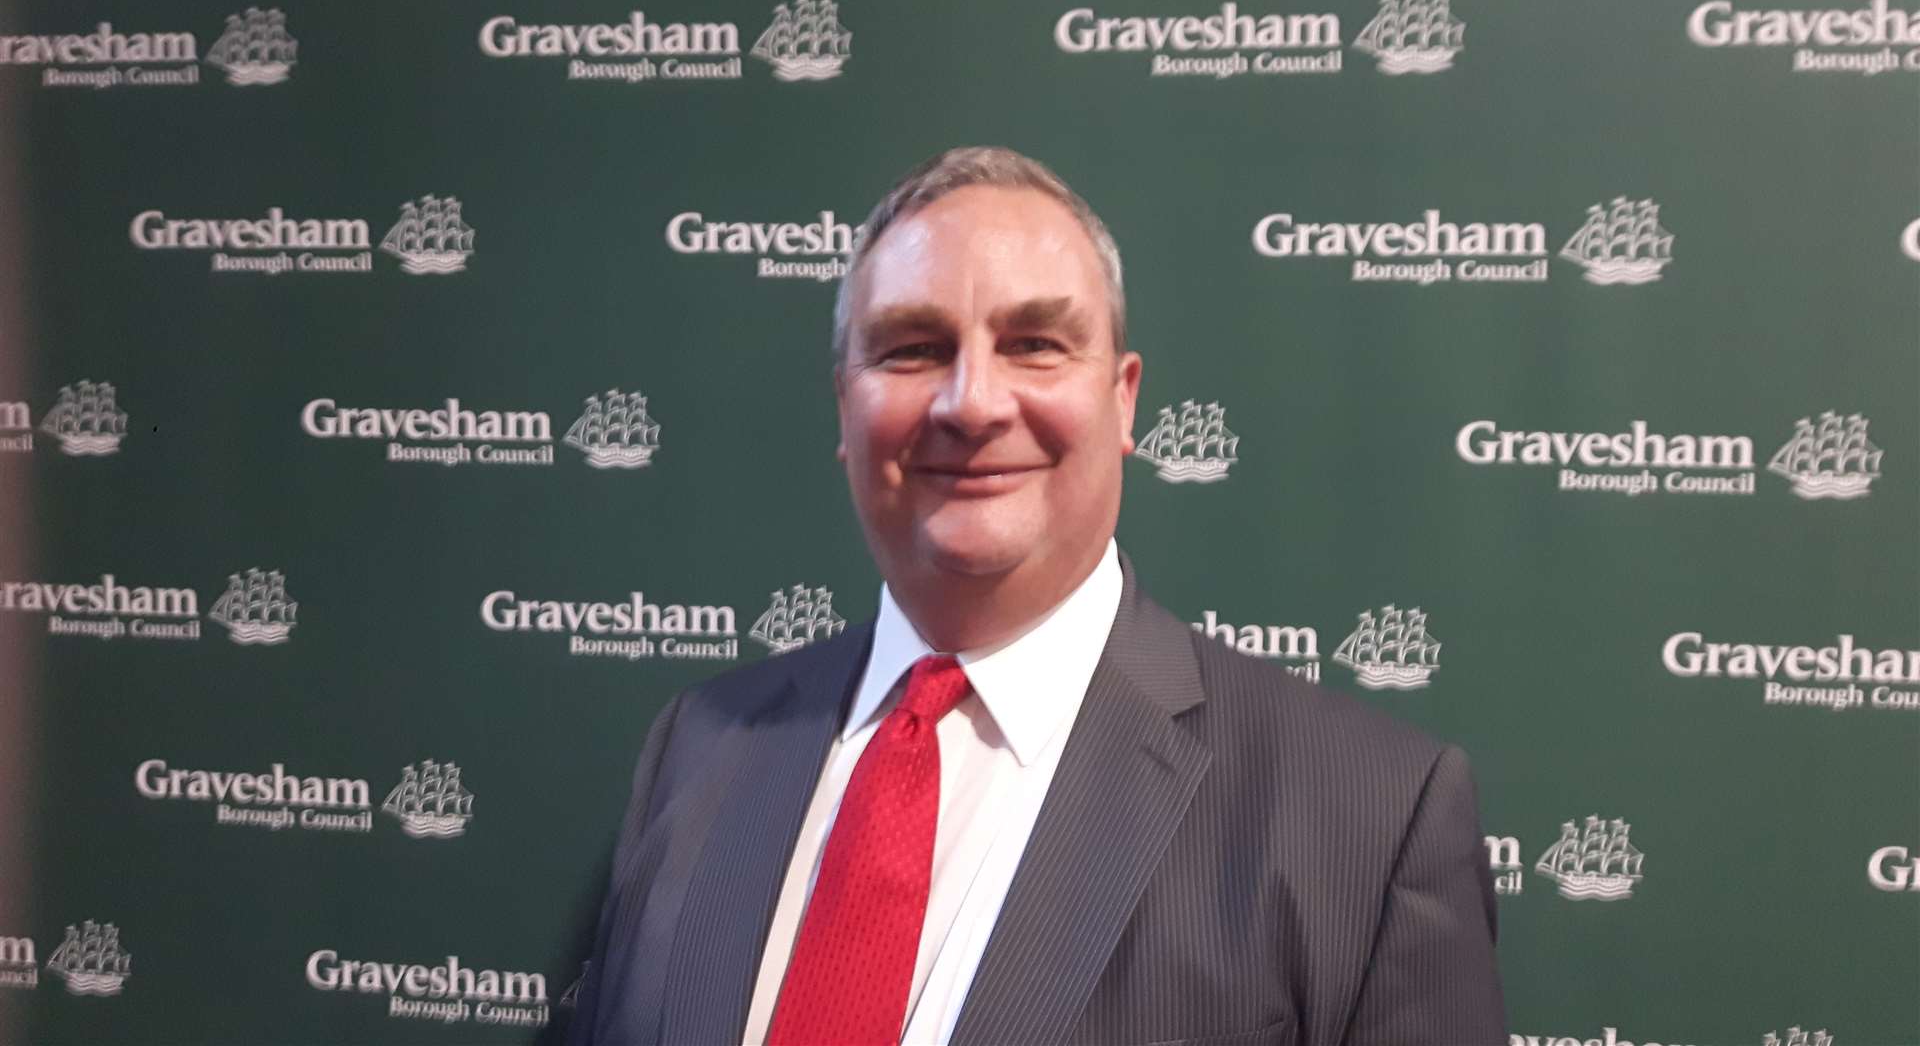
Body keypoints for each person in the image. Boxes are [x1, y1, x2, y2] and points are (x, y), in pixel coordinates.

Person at [567, 146, 1505, 1046]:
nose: (971, 403)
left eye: (1035, 345)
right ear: (843, 411)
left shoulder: (1370, 819)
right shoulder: (699, 750)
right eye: (912, 349)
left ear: (1125, 401)